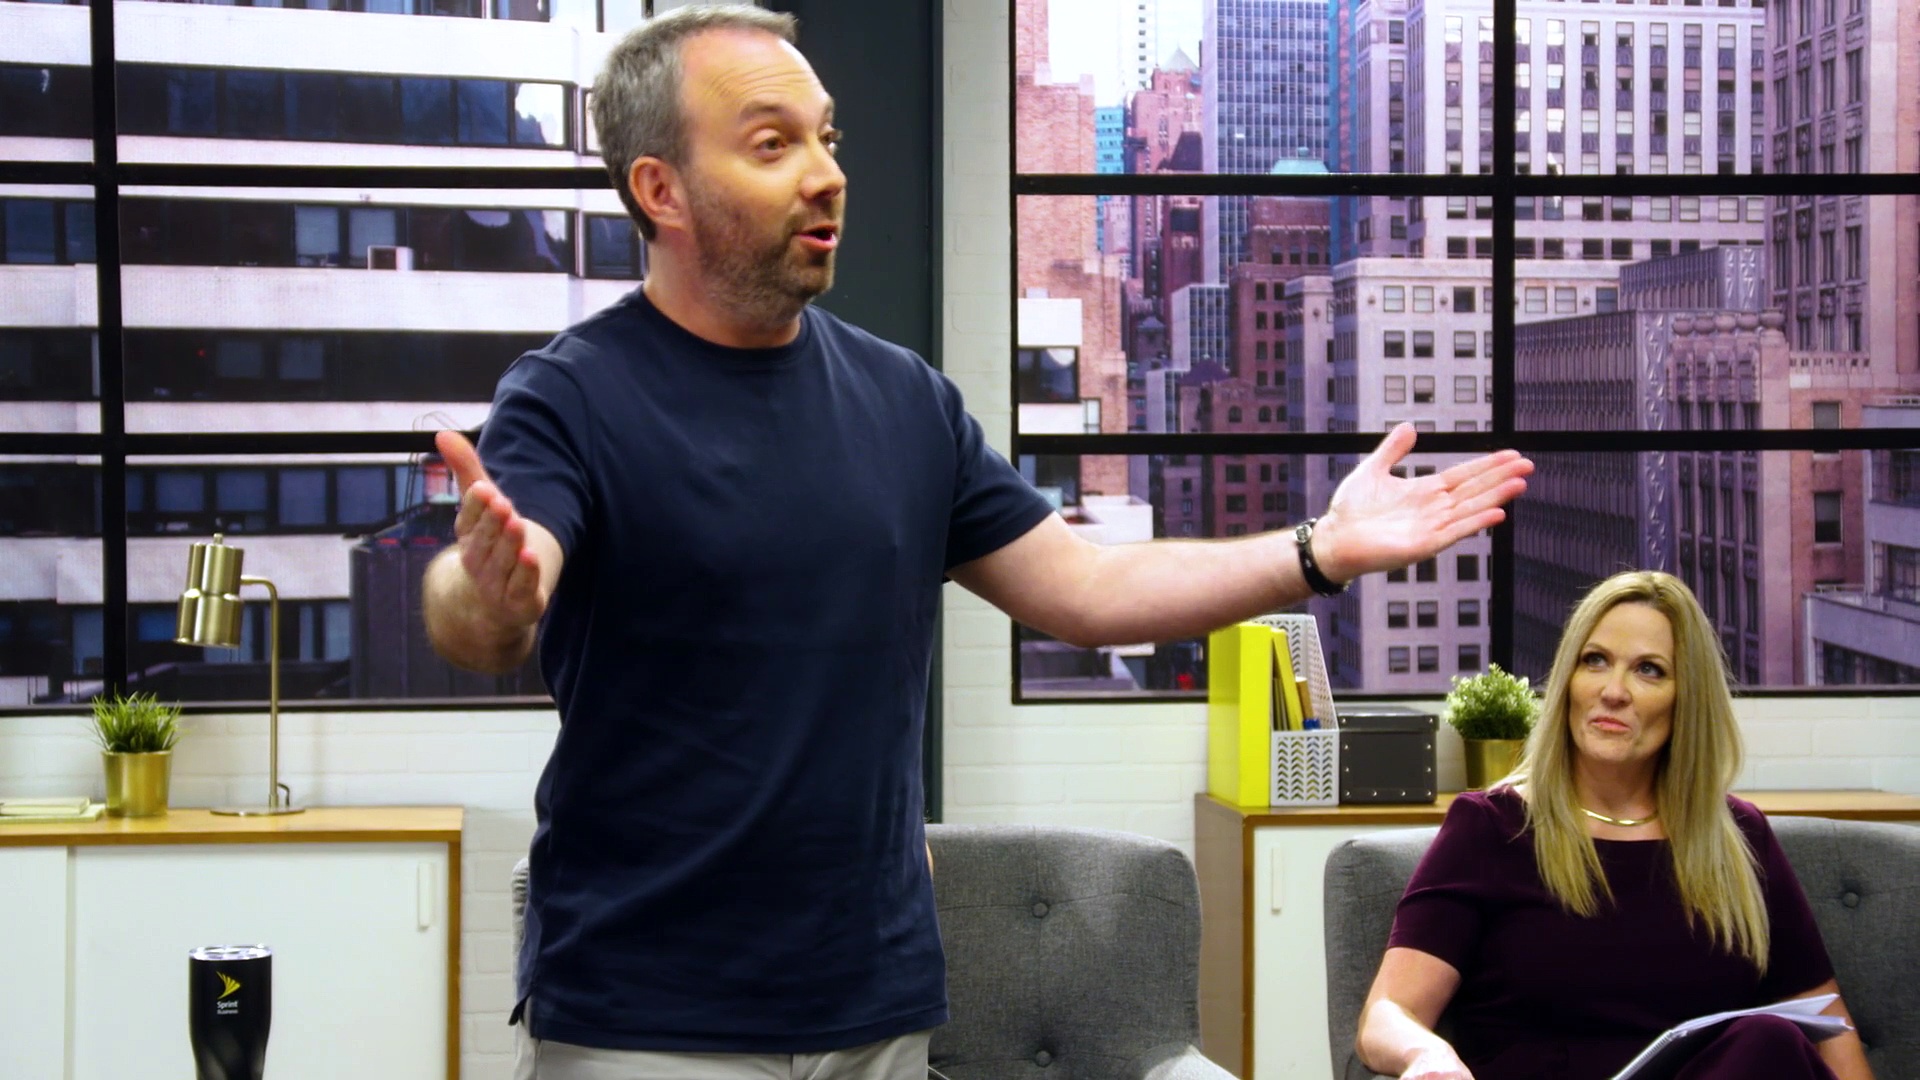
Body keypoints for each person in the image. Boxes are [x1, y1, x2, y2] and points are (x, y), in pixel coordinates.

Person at [421, 6, 1535, 1078]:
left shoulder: (904, 399)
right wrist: (491, 593)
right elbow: (484, 604)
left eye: (827, 138)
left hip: (876, 1006)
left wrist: (1317, 550)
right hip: (644, 1016)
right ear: (659, 189)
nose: (826, 173)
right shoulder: (571, 395)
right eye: (772, 144)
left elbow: (1086, 588)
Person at [1355, 570, 1874, 1080]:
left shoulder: (1738, 837)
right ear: (1568, 680)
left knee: (1769, 1042)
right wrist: (1425, 1054)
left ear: (1687, 700)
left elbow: (1831, 1032)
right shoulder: (1491, 828)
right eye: (1595, 661)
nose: (1613, 691)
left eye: (1649, 670)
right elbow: (1386, 1015)